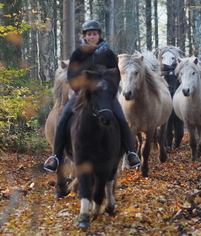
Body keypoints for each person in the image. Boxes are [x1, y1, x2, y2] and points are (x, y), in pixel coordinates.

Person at [43, 20, 141, 172]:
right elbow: (71, 76)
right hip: (83, 95)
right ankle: (55, 157)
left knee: (121, 119)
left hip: (105, 95)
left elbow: (115, 75)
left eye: (94, 34)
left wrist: (109, 91)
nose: (92, 37)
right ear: (85, 36)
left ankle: (130, 153)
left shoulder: (108, 54)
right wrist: (80, 90)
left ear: (99, 35)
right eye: (89, 34)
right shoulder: (78, 54)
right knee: (63, 119)